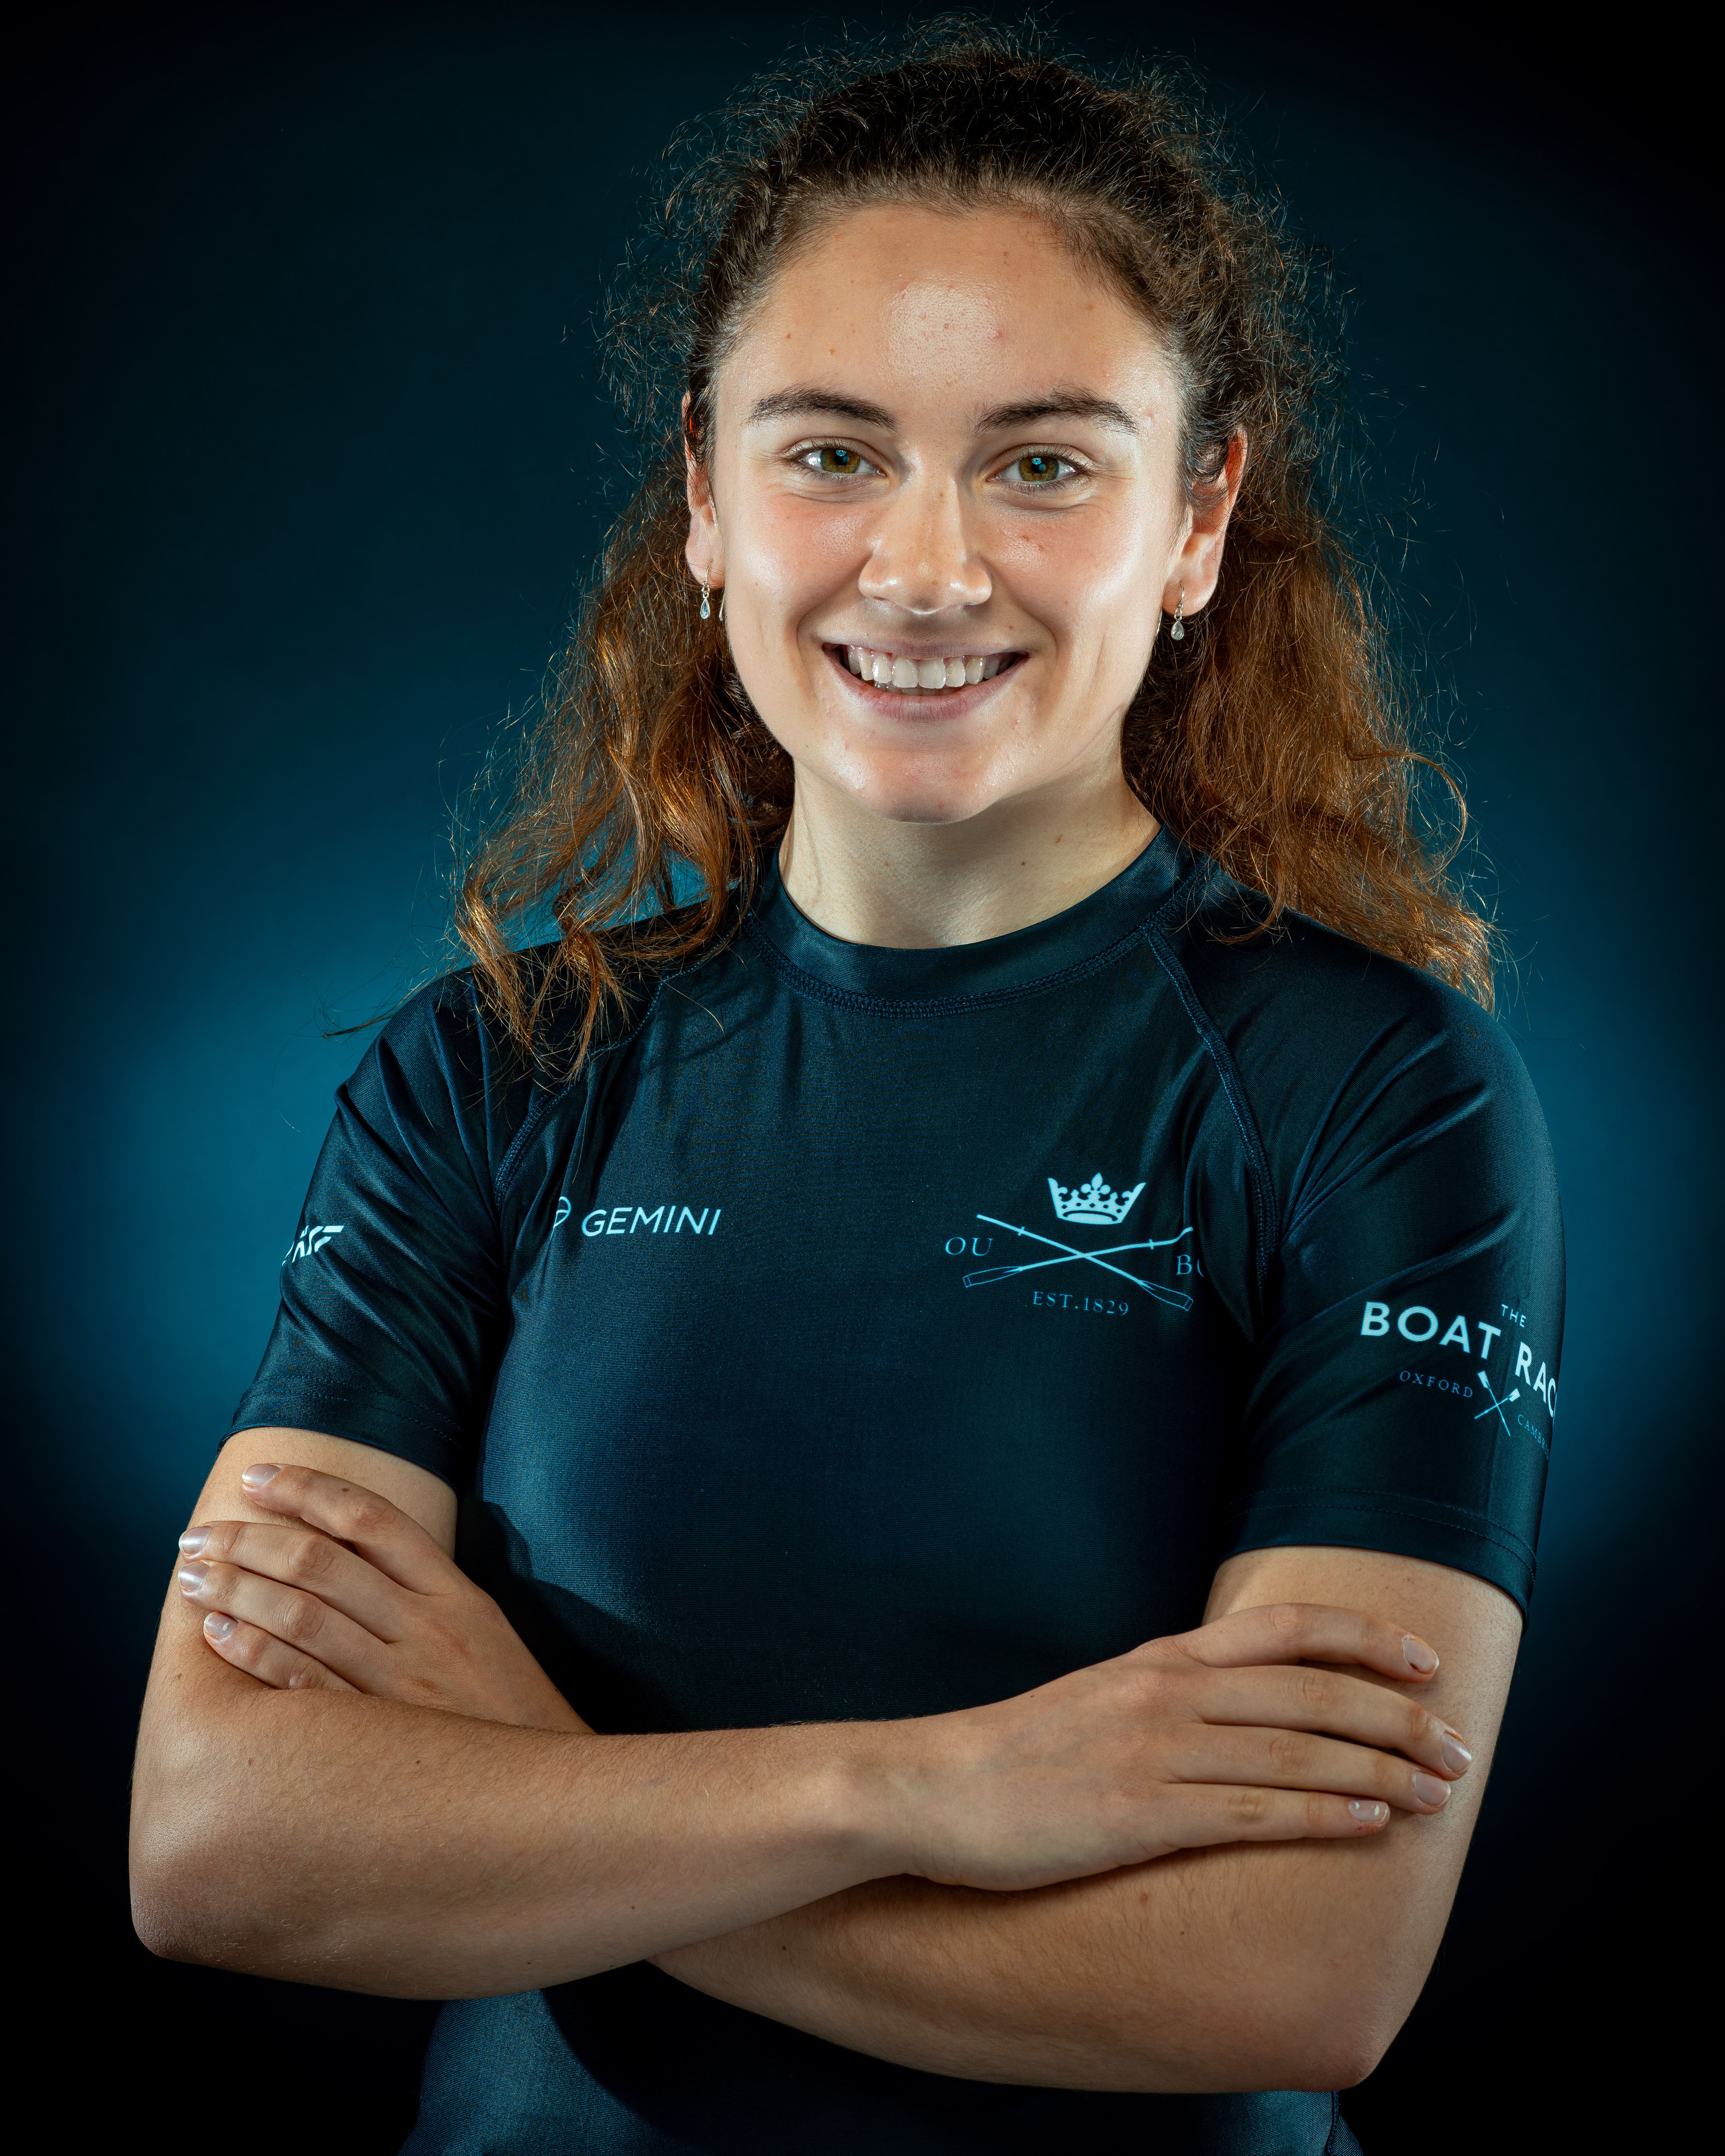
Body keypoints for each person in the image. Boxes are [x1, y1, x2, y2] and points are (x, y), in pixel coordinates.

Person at [130, 26, 1563, 2155]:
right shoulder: (496, 1068)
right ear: (708, 502)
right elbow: (219, 1842)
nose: (926, 567)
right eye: (831, 453)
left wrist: (534, 1790)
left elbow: (1293, 1975)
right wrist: (925, 1791)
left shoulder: (1379, 1093)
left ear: (1198, 521)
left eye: (1044, 465)